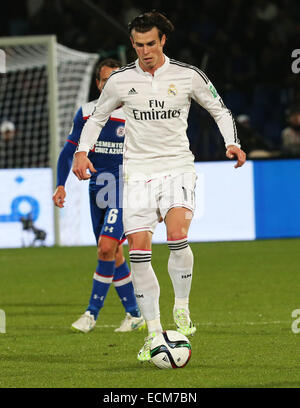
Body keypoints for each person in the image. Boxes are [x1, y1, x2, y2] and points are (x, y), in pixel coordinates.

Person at [72, 11, 246, 361]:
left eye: (151, 43)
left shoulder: (186, 75)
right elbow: (98, 118)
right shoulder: (121, 80)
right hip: (136, 173)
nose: (145, 51)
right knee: (138, 249)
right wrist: (81, 152)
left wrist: (232, 141)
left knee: (178, 231)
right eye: (138, 45)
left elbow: (219, 109)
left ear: (163, 40)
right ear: (132, 44)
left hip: (176, 167)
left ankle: (181, 305)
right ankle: (153, 332)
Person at [53, 58, 145, 333]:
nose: (110, 85)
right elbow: (69, 151)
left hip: (126, 188)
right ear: (98, 83)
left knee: (106, 247)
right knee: (112, 252)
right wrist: (61, 184)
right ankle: (134, 314)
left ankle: (91, 314)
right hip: (98, 188)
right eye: (105, 81)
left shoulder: (135, 112)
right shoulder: (87, 112)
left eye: (115, 80)